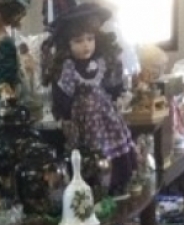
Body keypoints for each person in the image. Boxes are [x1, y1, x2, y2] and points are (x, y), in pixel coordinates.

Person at [43, 2, 135, 195]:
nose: (86, 45)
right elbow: (62, 95)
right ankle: (94, 184)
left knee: (114, 142)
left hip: (106, 115)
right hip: (83, 119)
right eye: (78, 41)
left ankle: (116, 182)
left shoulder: (101, 61)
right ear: (67, 44)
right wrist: (64, 116)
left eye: (90, 39)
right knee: (89, 152)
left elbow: (112, 85)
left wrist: (118, 94)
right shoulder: (68, 67)